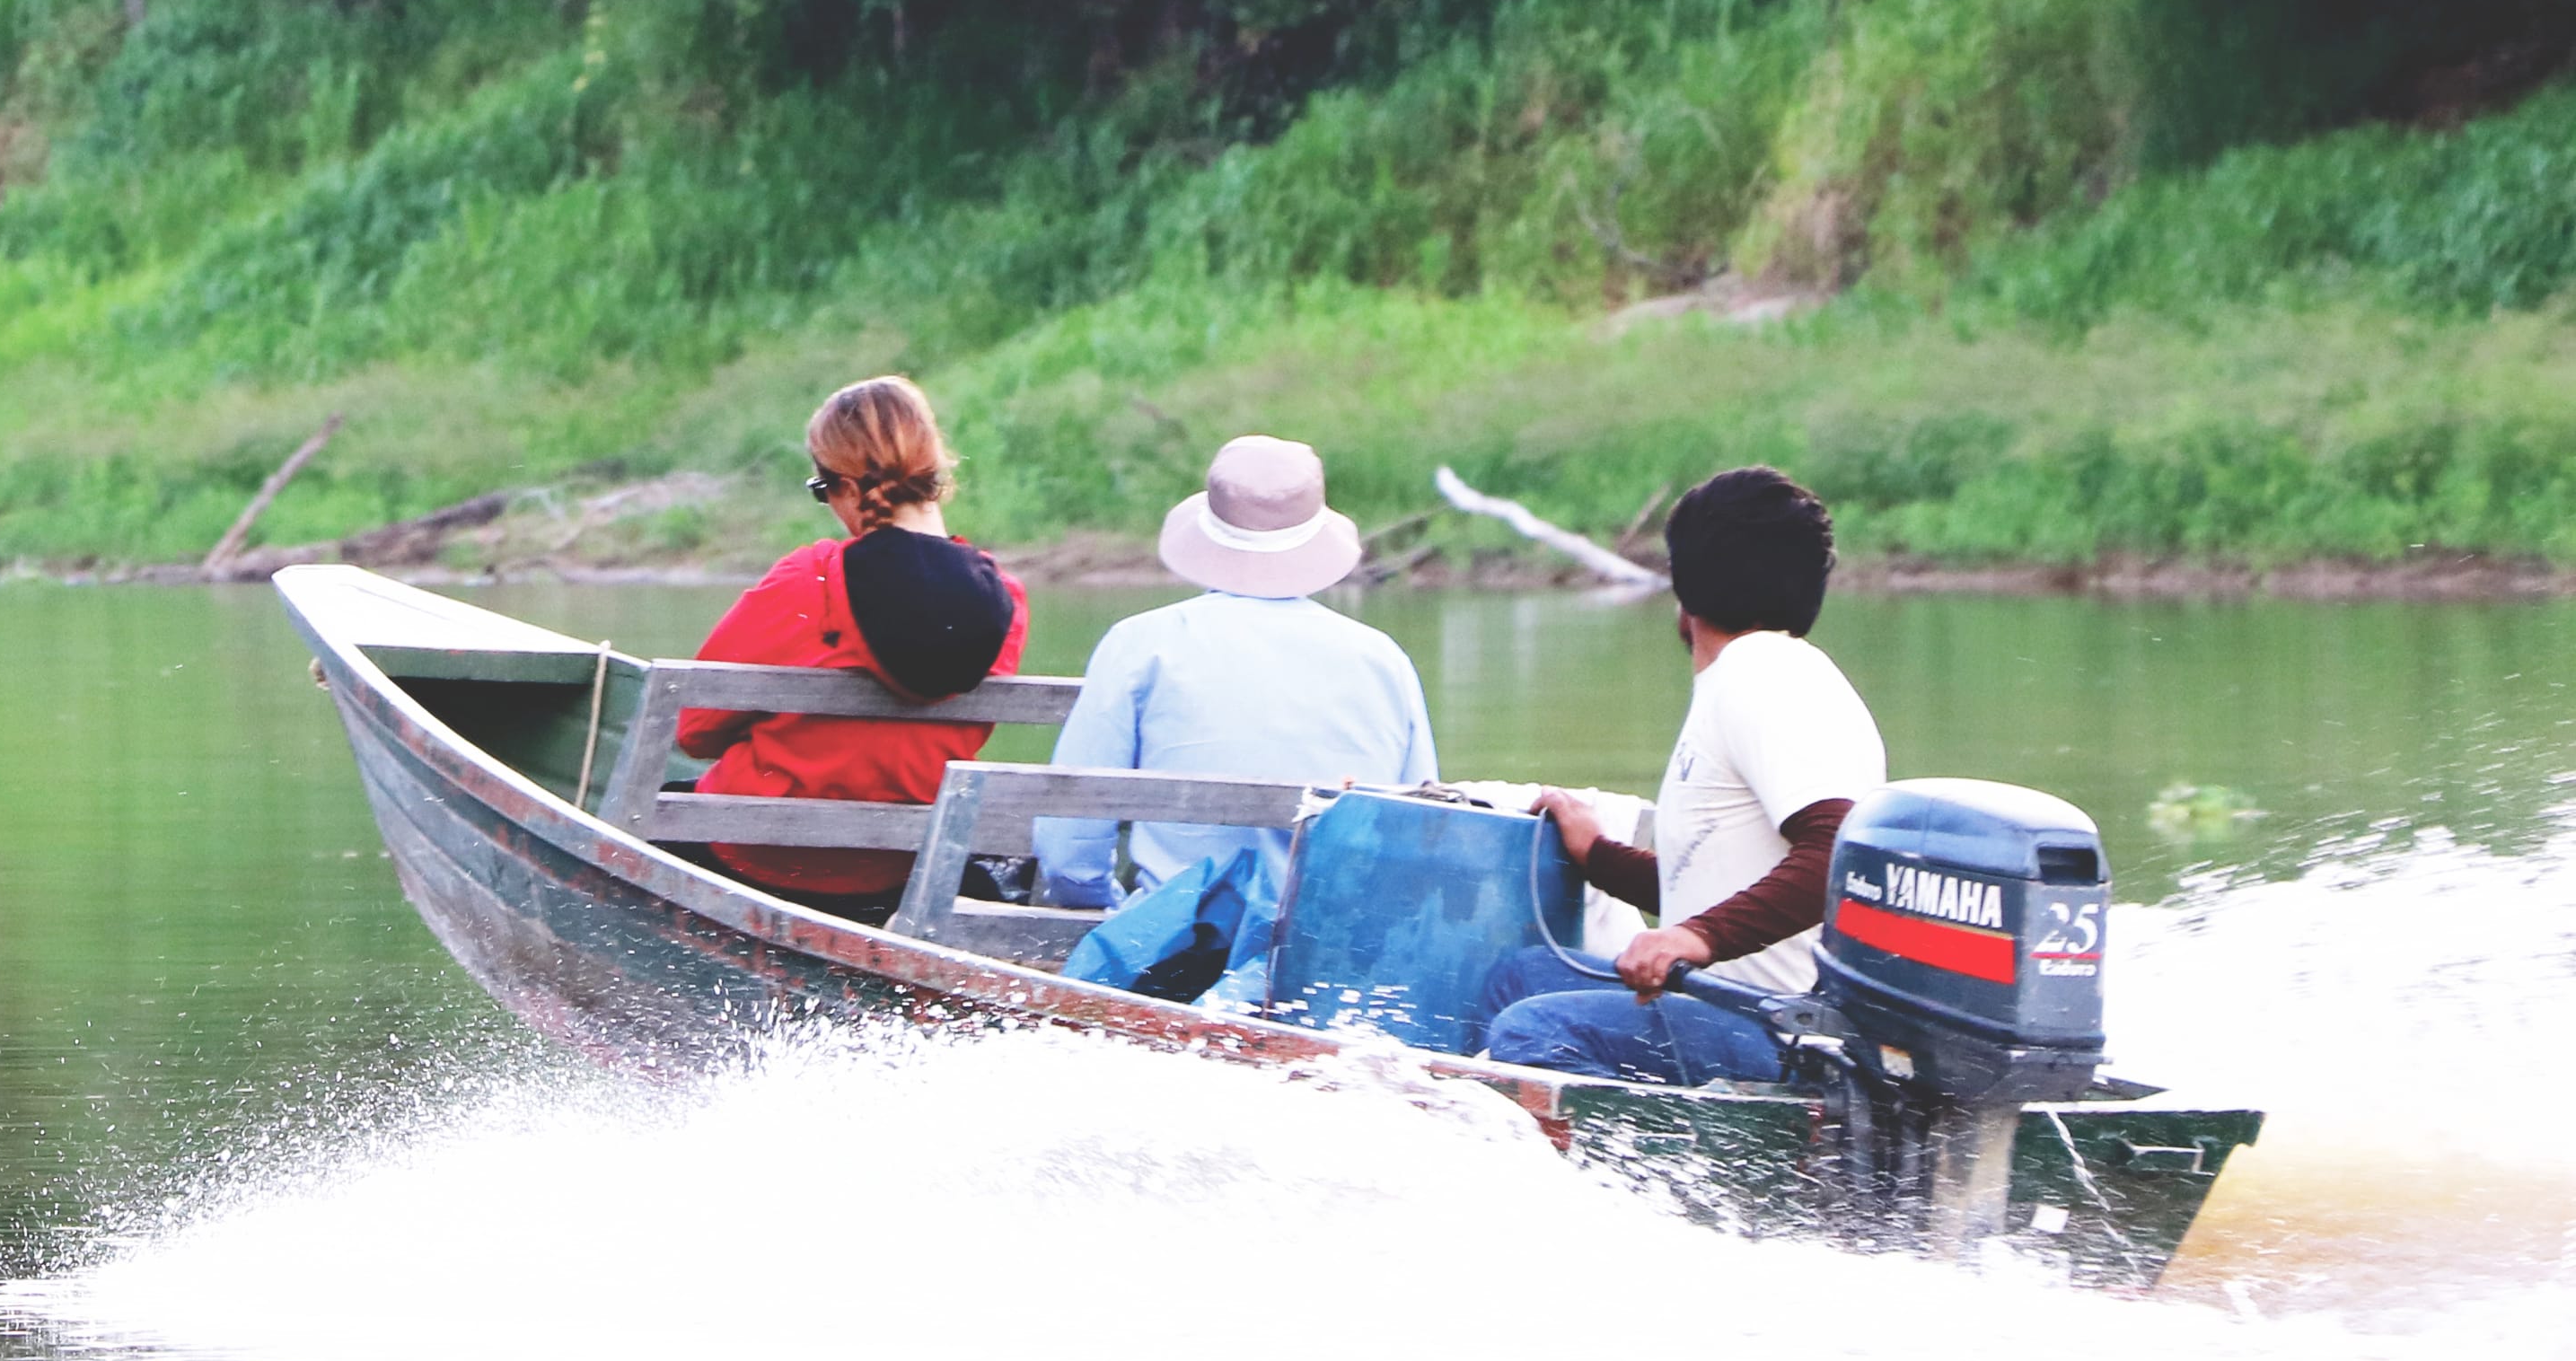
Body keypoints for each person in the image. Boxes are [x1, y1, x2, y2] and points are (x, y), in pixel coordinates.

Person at [1476, 466, 1884, 1085]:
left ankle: (1650, 1179)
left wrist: (1692, 938)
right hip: (1724, 1000)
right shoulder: (1752, 677)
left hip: (1777, 1030)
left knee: (1533, 1031)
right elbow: (1719, 881)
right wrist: (1598, 855)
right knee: (1521, 977)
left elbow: (1837, 851)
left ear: (1684, 584)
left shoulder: (1765, 677)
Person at [673, 375, 1030, 923]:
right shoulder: (1006, 602)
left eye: (822, 491)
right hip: (897, 866)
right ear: (934, 472)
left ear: (844, 486)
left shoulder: (809, 581)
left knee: (665, 804)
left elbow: (694, 728)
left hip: (753, 852)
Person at [1027, 435, 1437, 910]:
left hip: (1177, 945)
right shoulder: (1383, 659)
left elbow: (1067, 847)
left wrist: (1111, 909)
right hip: (1327, 945)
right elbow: (1421, 837)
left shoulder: (1140, 644)